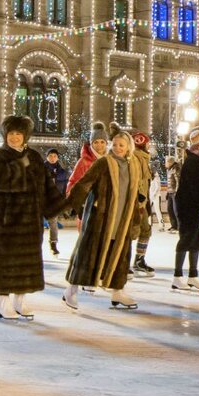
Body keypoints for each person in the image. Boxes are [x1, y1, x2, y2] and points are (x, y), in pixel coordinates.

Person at [0, 115, 68, 320]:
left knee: (26, 264)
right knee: (6, 262)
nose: (15, 137)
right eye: (11, 133)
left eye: (19, 133)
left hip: (30, 221)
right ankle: (3, 303)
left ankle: (20, 301)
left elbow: (46, 185)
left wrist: (60, 205)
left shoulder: (34, 156)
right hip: (7, 220)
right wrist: (18, 167)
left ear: (25, 136)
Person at [62, 126, 145, 311]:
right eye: (114, 144)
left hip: (122, 220)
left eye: (121, 145)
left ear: (128, 146)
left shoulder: (134, 165)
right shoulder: (103, 163)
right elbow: (84, 184)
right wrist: (71, 204)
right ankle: (71, 290)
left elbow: (136, 192)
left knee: (119, 257)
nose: (117, 147)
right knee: (88, 256)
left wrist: (137, 216)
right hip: (100, 220)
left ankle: (117, 292)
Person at [172, 129, 199, 291]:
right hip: (188, 206)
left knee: (196, 240)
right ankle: (177, 276)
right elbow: (195, 187)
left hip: (196, 204)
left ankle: (193, 276)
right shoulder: (193, 162)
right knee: (187, 239)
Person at [129, 130, 158, 278]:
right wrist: (139, 199)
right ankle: (124, 261)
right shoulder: (135, 158)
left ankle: (139, 259)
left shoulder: (144, 158)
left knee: (145, 230)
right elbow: (137, 180)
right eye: (147, 143)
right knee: (130, 232)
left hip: (142, 200)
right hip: (135, 201)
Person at [44, 148, 70, 256]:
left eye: (55, 156)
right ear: (47, 157)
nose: (53, 158)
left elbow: (64, 189)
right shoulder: (40, 169)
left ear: (57, 157)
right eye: (50, 156)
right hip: (41, 199)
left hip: (54, 201)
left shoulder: (62, 172)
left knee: (53, 223)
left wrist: (64, 205)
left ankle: (53, 244)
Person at [164, 156, 181, 232]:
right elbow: (169, 183)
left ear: (170, 162)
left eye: (166, 162)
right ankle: (174, 226)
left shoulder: (175, 168)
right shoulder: (169, 169)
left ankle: (179, 226)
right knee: (170, 209)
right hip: (170, 192)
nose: (165, 164)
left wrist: (177, 192)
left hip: (174, 192)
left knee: (176, 210)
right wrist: (167, 192)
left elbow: (178, 181)